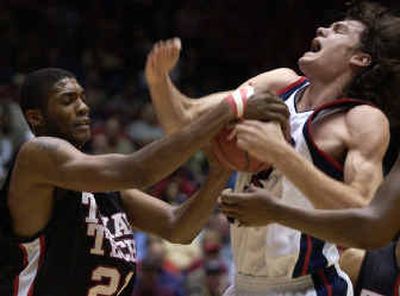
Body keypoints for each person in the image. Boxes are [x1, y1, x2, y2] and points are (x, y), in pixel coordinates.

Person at [145, 2, 400, 295]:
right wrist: (158, 80)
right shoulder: (279, 83)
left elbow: (364, 215)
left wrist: (281, 153)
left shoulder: (361, 119)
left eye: (338, 30)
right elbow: (185, 120)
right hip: (242, 285)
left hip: (310, 286)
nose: (322, 29)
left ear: (360, 58)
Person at [0, 67, 287, 296]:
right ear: (35, 118)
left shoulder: (102, 185)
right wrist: (229, 108)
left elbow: (178, 227)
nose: (83, 107)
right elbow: (139, 170)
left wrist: (221, 170)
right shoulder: (36, 156)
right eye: (67, 100)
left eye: (82, 97)